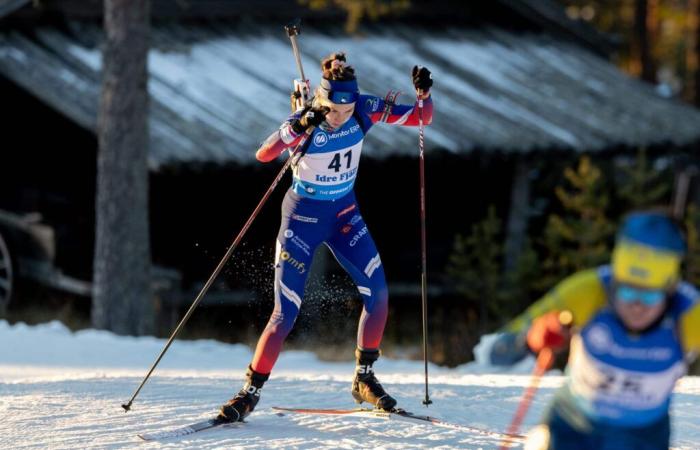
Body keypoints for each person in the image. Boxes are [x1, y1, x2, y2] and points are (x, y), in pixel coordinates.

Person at [217, 52, 434, 423]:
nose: (339, 117)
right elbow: (264, 154)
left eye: (345, 112)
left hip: (344, 215)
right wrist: (299, 125)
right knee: (285, 315)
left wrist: (423, 95)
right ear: (322, 101)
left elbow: (421, 119)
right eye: (333, 110)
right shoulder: (309, 118)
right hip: (302, 219)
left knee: (379, 295)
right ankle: (249, 393)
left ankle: (364, 377)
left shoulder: (363, 109)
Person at [487, 211, 700, 449]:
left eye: (650, 296)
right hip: (574, 425)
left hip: (642, 437)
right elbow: (495, 350)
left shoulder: (691, 314)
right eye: (627, 292)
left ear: (671, 291)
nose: (637, 307)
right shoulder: (588, 290)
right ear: (615, 283)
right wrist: (528, 339)